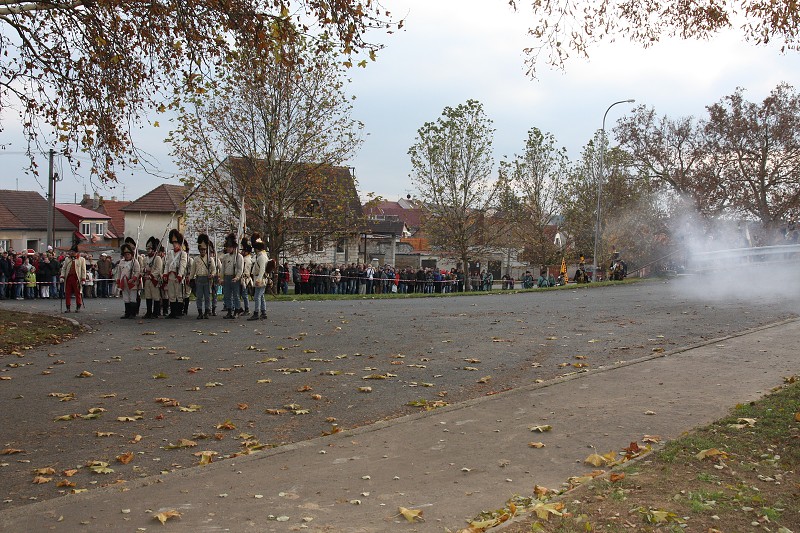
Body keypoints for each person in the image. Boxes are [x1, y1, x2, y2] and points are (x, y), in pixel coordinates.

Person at [189, 233, 216, 319]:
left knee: (207, 297)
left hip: (207, 279)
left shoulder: (210, 259)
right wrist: (190, 279)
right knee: (199, 297)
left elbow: (214, 269)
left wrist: (212, 275)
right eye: (201, 250)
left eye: (204, 250)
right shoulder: (196, 259)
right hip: (199, 278)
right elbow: (192, 270)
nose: (203, 251)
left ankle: (207, 311)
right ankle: (200, 311)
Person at [164, 229, 188, 319]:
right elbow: (167, 264)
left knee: (179, 294)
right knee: (171, 294)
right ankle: (172, 312)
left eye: (176, 242)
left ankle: (179, 311)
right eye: (173, 242)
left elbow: (183, 265)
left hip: (178, 276)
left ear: (179, 243)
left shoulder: (183, 254)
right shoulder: (170, 253)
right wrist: (165, 274)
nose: (174, 244)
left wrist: (180, 275)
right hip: (170, 275)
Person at [219, 233, 243, 319]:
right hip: (227, 277)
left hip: (234, 278)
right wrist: (221, 278)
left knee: (236, 295)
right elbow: (222, 269)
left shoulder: (239, 257)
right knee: (227, 295)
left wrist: (237, 277)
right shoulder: (225, 257)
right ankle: (229, 310)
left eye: (230, 247)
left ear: (233, 247)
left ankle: (237, 309)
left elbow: (240, 269)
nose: (228, 248)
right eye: (227, 247)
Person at [116, 240, 141, 319]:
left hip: (132, 282)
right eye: (125, 254)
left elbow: (137, 271)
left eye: (128, 254)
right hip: (124, 282)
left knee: (132, 298)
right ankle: (127, 313)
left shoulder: (135, 262)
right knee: (126, 298)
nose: (127, 256)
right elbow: (119, 272)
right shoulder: (121, 262)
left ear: (131, 254)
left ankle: (132, 313)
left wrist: (133, 278)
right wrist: (118, 280)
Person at [249, 233, 271, 320]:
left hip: (260, 278)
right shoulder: (262, 255)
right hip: (260, 278)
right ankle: (263, 311)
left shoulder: (261, 257)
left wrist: (258, 279)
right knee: (261, 296)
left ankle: (256, 312)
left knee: (257, 296)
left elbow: (262, 269)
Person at [141, 237, 164, 319]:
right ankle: (149, 312)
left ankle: (156, 312)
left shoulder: (157, 258)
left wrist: (151, 275)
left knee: (156, 296)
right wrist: (143, 271)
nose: (148, 250)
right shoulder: (145, 259)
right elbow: (143, 268)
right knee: (148, 296)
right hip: (147, 279)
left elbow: (158, 269)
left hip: (154, 279)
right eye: (147, 248)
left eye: (149, 248)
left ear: (153, 249)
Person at [60, 243, 86, 312]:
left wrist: (83, 278)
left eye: (73, 251)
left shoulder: (81, 259)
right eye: (71, 251)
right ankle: (68, 307)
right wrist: (62, 276)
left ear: (76, 252)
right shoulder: (67, 259)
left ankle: (78, 307)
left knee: (78, 293)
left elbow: (83, 270)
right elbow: (64, 268)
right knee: (67, 293)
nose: (71, 253)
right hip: (68, 278)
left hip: (77, 279)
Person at [239, 237, 253, 317]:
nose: (242, 252)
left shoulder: (246, 260)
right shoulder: (244, 258)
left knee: (244, 295)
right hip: (242, 278)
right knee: (241, 294)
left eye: (244, 251)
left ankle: (247, 309)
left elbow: (244, 270)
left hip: (245, 278)